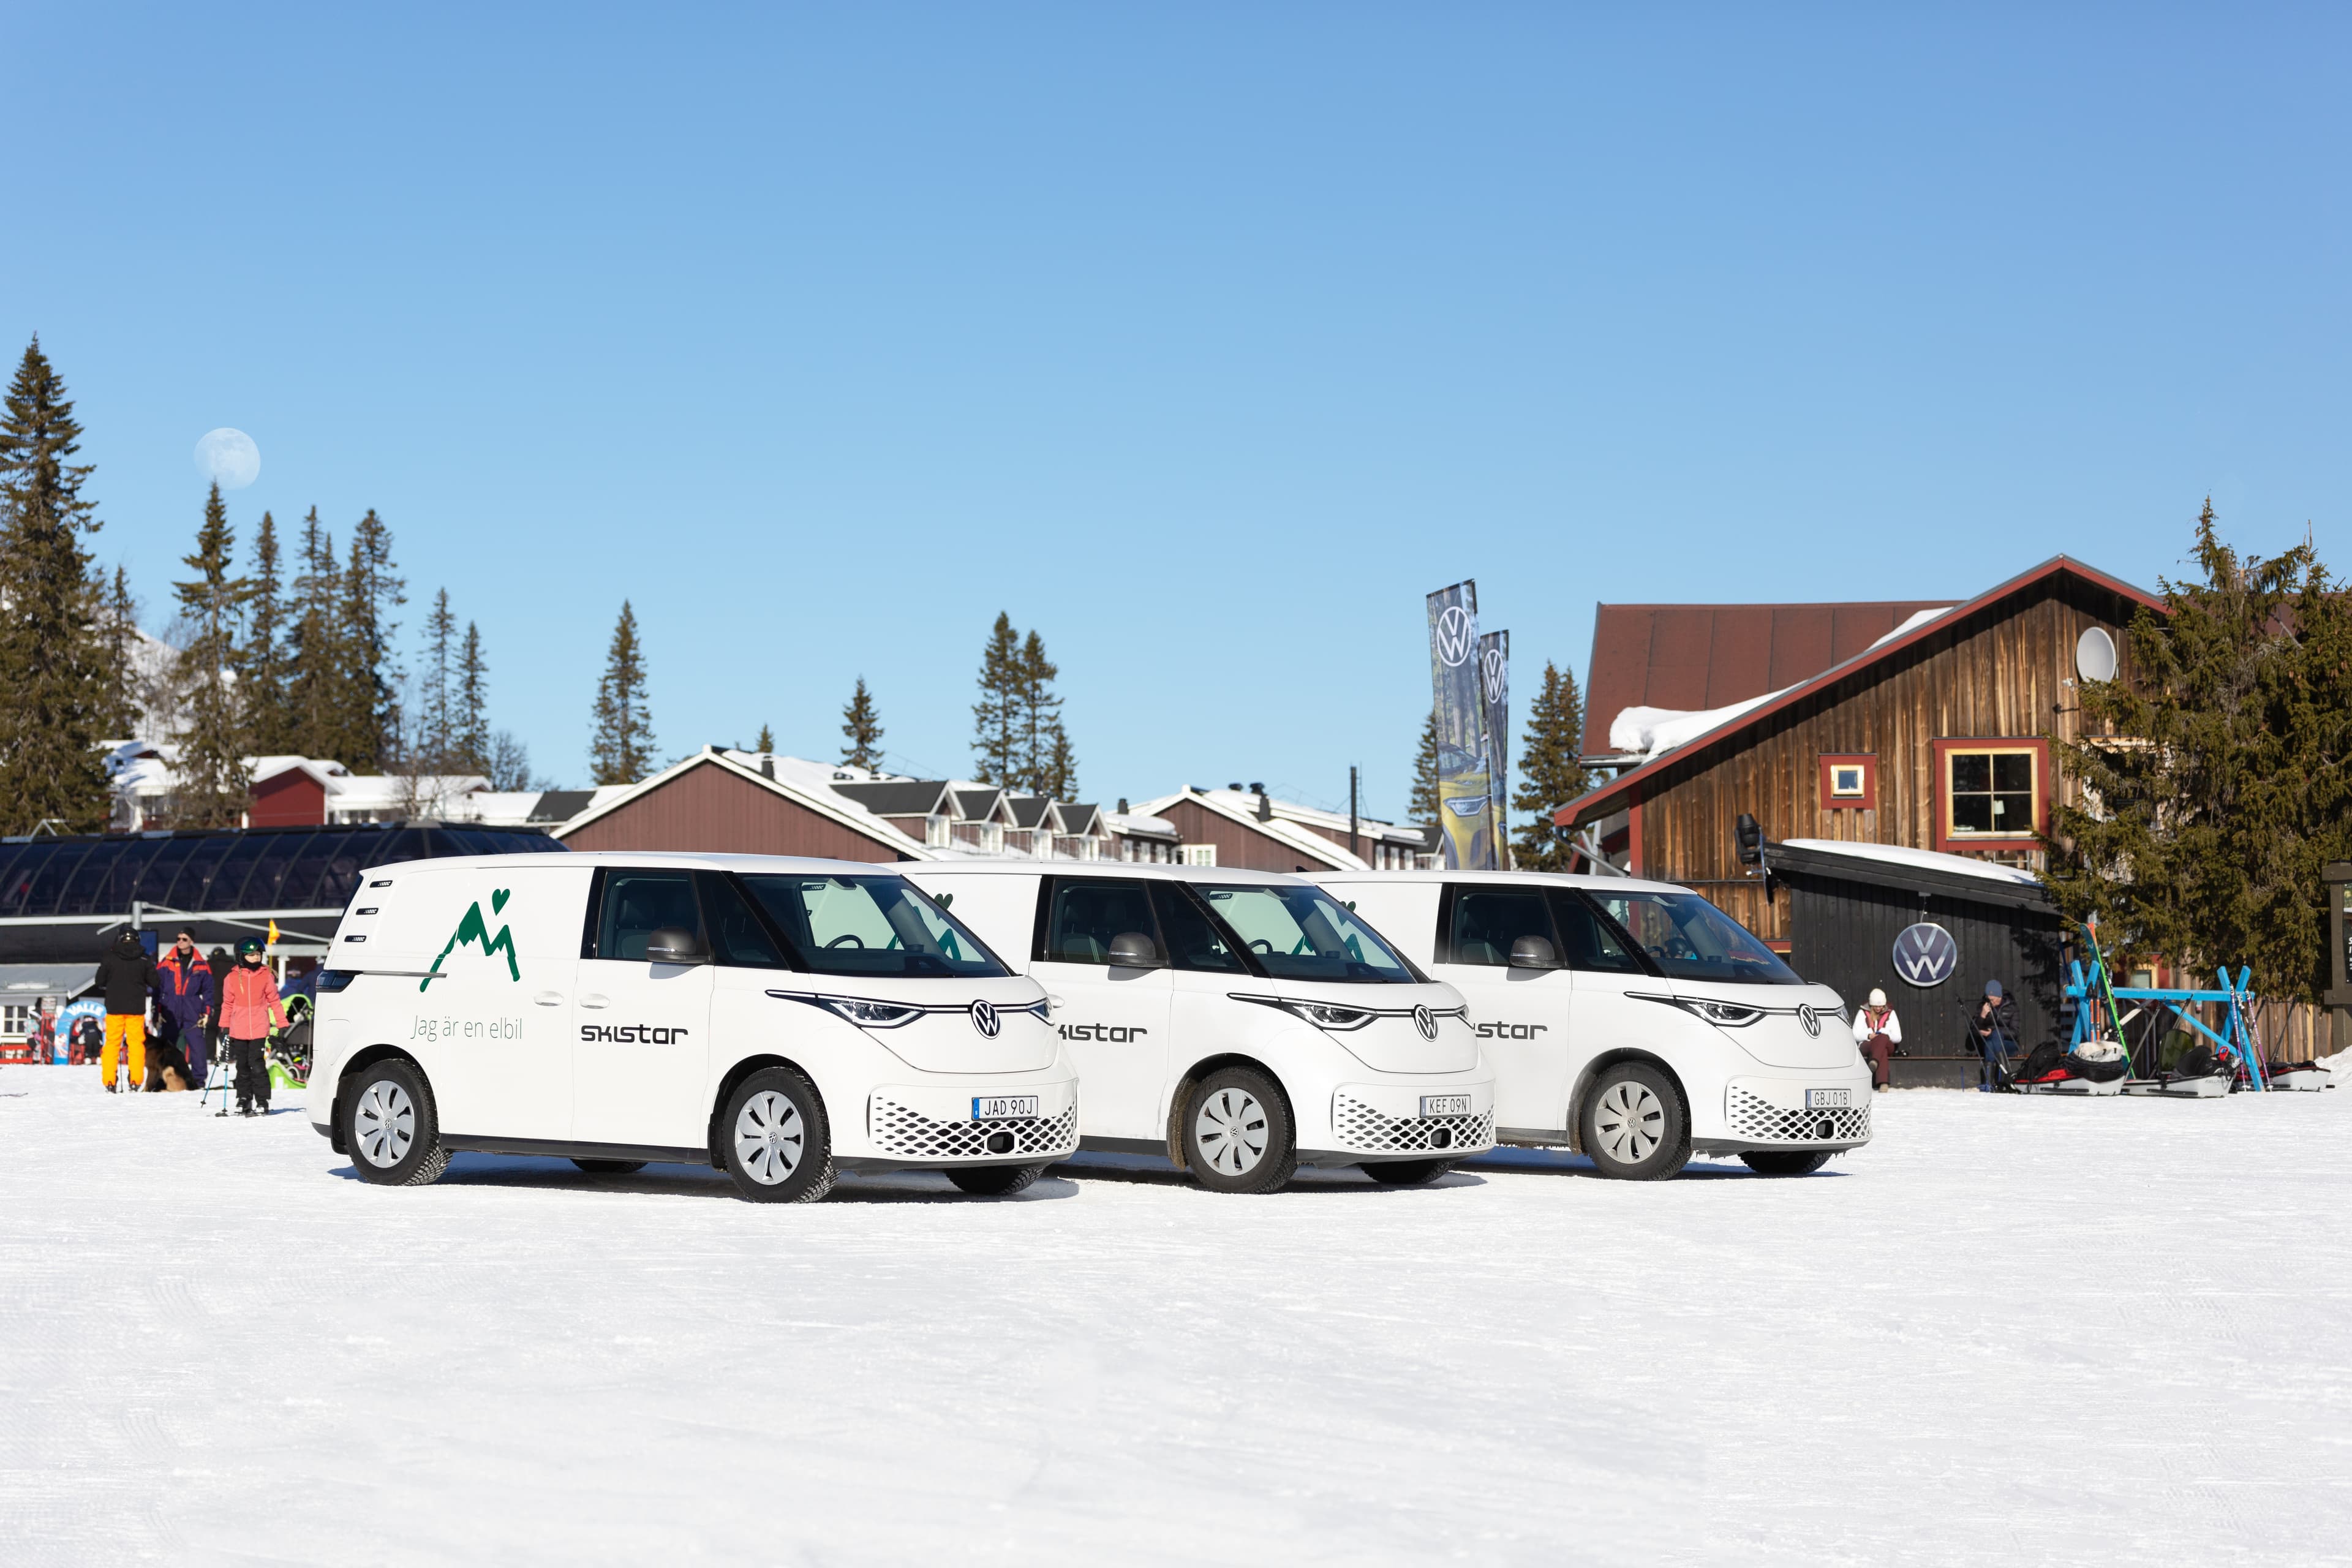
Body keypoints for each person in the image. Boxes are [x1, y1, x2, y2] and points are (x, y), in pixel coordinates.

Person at [219, 938, 288, 1117]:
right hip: (238, 1029)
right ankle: (243, 1098)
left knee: (257, 1065)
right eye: (251, 955)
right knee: (242, 1066)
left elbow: (275, 1001)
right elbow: (227, 1003)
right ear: (241, 957)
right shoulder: (232, 978)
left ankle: (262, 1100)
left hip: (258, 1028)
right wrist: (224, 1025)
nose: (256, 958)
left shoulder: (266, 976)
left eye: (258, 954)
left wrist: (282, 1025)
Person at [92, 930, 158, 1094]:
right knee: (136, 1045)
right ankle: (135, 1081)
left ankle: (109, 1081)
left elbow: (99, 981)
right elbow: (155, 982)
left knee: (112, 1045)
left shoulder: (110, 957)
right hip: (136, 1008)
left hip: (114, 1008)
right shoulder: (144, 958)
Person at [155, 930, 214, 1088]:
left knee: (197, 1046)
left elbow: (208, 990)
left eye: (184, 939)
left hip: (192, 1008)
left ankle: (199, 1081)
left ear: (191, 941)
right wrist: (158, 1010)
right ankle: (163, 1079)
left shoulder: (201, 964)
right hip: (171, 1008)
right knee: (166, 1047)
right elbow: (158, 987)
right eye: (178, 938)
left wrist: (208, 1011)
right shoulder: (166, 962)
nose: (180, 942)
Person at [1970, 979, 2019, 1091]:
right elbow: (1974, 1031)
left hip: (2009, 1045)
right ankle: (2003, 1080)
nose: (1990, 1002)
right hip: (1990, 1043)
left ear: (1999, 996)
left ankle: (1988, 1083)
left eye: (1992, 999)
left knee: (1995, 1036)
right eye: (1989, 999)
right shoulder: (1983, 1007)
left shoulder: (2012, 1008)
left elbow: (2015, 1033)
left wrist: (1994, 1032)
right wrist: (1982, 1015)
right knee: (1991, 1043)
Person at [1851, 987, 1901, 1091]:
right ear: (1871, 1005)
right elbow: (1855, 1034)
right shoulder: (1862, 1013)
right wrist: (1869, 1035)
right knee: (1882, 1050)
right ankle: (1883, 1083)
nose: (1878, 1009)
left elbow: (1898, 1037)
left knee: (1882, 1039)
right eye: (1875, 1006)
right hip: (1868, 1044)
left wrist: (1884, 1032)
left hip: (1887, 1043)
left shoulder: (1891, 1014)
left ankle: (1874, 1062)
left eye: (1881, 1006)